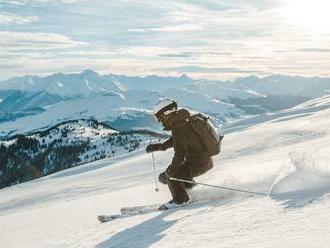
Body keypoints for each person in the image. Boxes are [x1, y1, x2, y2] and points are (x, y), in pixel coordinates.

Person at [146, 98, 214, 208]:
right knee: (174, 174)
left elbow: (179, 156)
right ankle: (191, 194)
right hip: (202, 160)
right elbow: (177, 141)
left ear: (166, 114)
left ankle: (181, 200)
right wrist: (159, 147)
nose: (160, 121)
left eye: (159, 117)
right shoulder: (183, 121)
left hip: (198, 163)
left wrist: (170, 172)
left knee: (170, 175)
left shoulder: (179, 128)